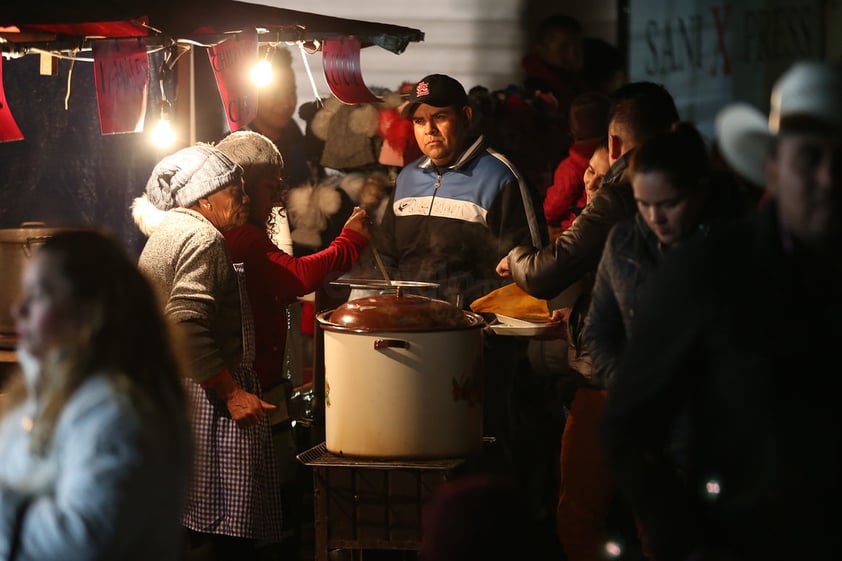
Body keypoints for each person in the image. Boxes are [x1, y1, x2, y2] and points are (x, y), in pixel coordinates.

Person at [601, 60, 842, 561]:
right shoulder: (706, 274)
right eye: (810, 157)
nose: (828, 177)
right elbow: (628, 428)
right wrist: (683, 541)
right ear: (773, 166)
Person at [215, 130, 370, 559]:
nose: (280, 194)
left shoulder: (243, 232)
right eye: (271, 185)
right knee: (259, 497)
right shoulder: (242, 237)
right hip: (251, 385)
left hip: (262, 380)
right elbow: (294, 277)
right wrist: (350, 241)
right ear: (241, 186)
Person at [0, 230, 191, 561]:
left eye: (39, 294)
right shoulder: (51, 388)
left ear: (90, 311)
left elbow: (83, 538)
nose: (19, 308)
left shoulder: (118, 414)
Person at [132, 144, 282, 560]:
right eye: (235, 190)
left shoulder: (169, 233)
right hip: (205, 398)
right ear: (205, 198)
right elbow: (186, 323)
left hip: (171, 392)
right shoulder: (203, 238)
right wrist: (232, 393)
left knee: (186, 523)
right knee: (222, 530)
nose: (245, 199)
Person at [376, 73, 544, 307]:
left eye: (439, 116)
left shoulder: (501, 177)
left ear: (466, 116)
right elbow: (386, 255)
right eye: (419, 121)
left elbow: (530, 267)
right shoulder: (407, 178)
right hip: (408, 324)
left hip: (472, 331)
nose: (429, 129)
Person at [543, 92, 611, 241]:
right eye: (591, 172)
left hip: (572, 236)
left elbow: (552, 209)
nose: (592, 182)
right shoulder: (613, 159)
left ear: (572, 130)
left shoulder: (570, 167)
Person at [246, 45, 313, 189]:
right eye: (275, 95)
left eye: (290, 92)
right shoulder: (235, 152)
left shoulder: (301, 141)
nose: (286, 104)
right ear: (251, 94)